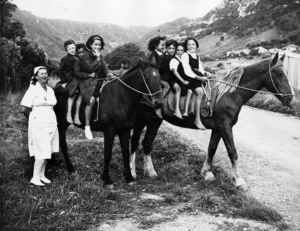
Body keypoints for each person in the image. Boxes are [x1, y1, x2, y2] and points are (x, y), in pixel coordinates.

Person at [21, 66, 59, 186]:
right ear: (36, 76)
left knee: (48, 149)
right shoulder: (33, 89)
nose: (44, 76)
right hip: (39, 123)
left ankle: (42, 175)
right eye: (41, 74)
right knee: (42, 149)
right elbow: (24, 109)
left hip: (51, 122)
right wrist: (34, 119)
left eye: (45, 73)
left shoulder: (50, 89)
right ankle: (35, 177)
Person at [75, 35, 114, 140]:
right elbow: (89, 69)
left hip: (99, 83)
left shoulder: (100, 56)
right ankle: (87, 126)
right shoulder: (84, 56)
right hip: (87, 83)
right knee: (91, 100)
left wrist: (110, 74)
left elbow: (105, 69)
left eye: (99, 44)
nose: (97, 46)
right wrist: (97, 58)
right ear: (90, 45)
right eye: (95, 44)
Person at [181, 37, 211, 129]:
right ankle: (197, 119)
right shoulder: (185, 55)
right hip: (189, 77)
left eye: (193, 44)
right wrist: (199, 77)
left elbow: (201, 69)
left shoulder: (197, 56)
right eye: (189, 44)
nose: (191, 46)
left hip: (197, 76)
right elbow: (187, 71)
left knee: (211, 86)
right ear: (186, 46)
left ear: (196, 45)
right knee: (200, 92)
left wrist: (206, 73)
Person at [57, 39, 79, 124]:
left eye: (73, 48)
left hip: (80, 77)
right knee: (73, 92)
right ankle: (69, 114)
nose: (72, 50)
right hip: (72, 78)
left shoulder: (79, 56)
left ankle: (78, 114)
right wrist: (64, 81)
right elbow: (60, 71)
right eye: (69, 49)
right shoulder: (65, 59)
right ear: (67, 50)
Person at [169, 43, 193, 118]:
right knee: (178, 89)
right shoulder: (174, 60)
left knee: (190, 90)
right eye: (178, 50)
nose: (180, 52)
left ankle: (186, 111)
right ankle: (176, 110)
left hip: (181, 79)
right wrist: (183, 81)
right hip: (174, 79)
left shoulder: (183, 60)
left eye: (182, 50)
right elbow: (174, 72)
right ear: (176, 51)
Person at [73, 43, 89, 125]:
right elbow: (77, 72)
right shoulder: (78, 62)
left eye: (83, 52)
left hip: (91, 81)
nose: (81, 54)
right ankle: (76, 115)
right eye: (79, 53)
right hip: (82, 80)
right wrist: (87, 75)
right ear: (77, 54)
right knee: (81, 95)